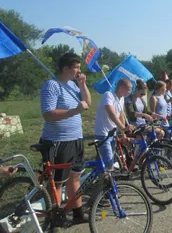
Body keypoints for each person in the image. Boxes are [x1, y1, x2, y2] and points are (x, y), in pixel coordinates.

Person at [39, 52, 91, 224]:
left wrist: (83, 85)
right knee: (57, 182)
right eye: (76, 67)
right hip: (58, 140)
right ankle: (53, 217)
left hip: (76, 139)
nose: (79, 71)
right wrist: (73, 111)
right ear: (65, 68)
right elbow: (48, 114)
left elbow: (87, 103)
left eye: (79, 67)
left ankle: (77, 213)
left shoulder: (73, 85)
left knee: (75, 177)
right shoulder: (51, 85)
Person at [94, 78, 134, 171]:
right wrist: (124, 128)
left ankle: (99, 179)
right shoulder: (108, 95)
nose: (130, 91)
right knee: (109, 162)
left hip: (112, 133)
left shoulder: (121, 99)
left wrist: (123, 134)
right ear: (121, 87)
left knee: (106, 160)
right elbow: (111, 114)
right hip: (103, 133)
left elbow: (121, 115)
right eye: (129, 89)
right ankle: (107, 182)